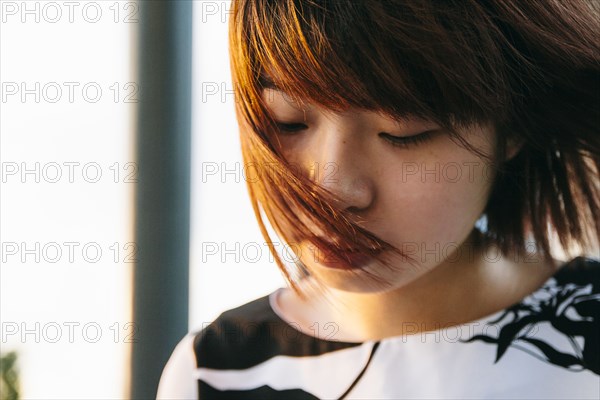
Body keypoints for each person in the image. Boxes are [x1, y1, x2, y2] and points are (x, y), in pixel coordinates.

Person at [157, 0, 600, 398]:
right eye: (288, 121)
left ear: (513, 128)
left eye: (401, 133)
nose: (332, 189)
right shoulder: (214, 372)